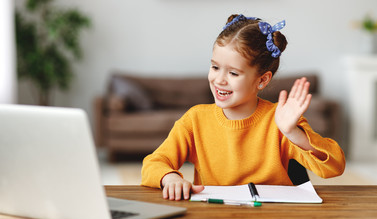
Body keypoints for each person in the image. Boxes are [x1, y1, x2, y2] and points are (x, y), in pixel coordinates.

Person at [141, 14, 346, 201]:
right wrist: (169, 178)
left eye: (233, 73)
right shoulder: (194, 120)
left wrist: (293, 133)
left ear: (262, 80)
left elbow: (335, 166)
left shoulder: (281, 120)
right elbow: (153, 163)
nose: (219, 80)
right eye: (215, 67)